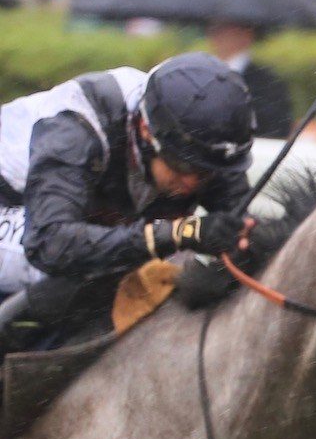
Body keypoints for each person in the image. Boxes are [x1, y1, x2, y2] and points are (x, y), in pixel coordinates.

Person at [0, 53, 255, 350]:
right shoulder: (76, 129)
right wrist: (176, 233)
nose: (192, 184)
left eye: (208, 174)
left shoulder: (201, 144)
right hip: (26, 218)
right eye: (184, 167)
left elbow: (244, 225)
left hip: (65, 219)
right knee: (98, 268)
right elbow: (50, 244)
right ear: (147, 131)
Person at [205, 19, 292, 140]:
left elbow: (276, 127)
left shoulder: (268, 83)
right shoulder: (205, 74)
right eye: (214, 29)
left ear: (247, 34)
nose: (216, 35)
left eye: (224, 29)